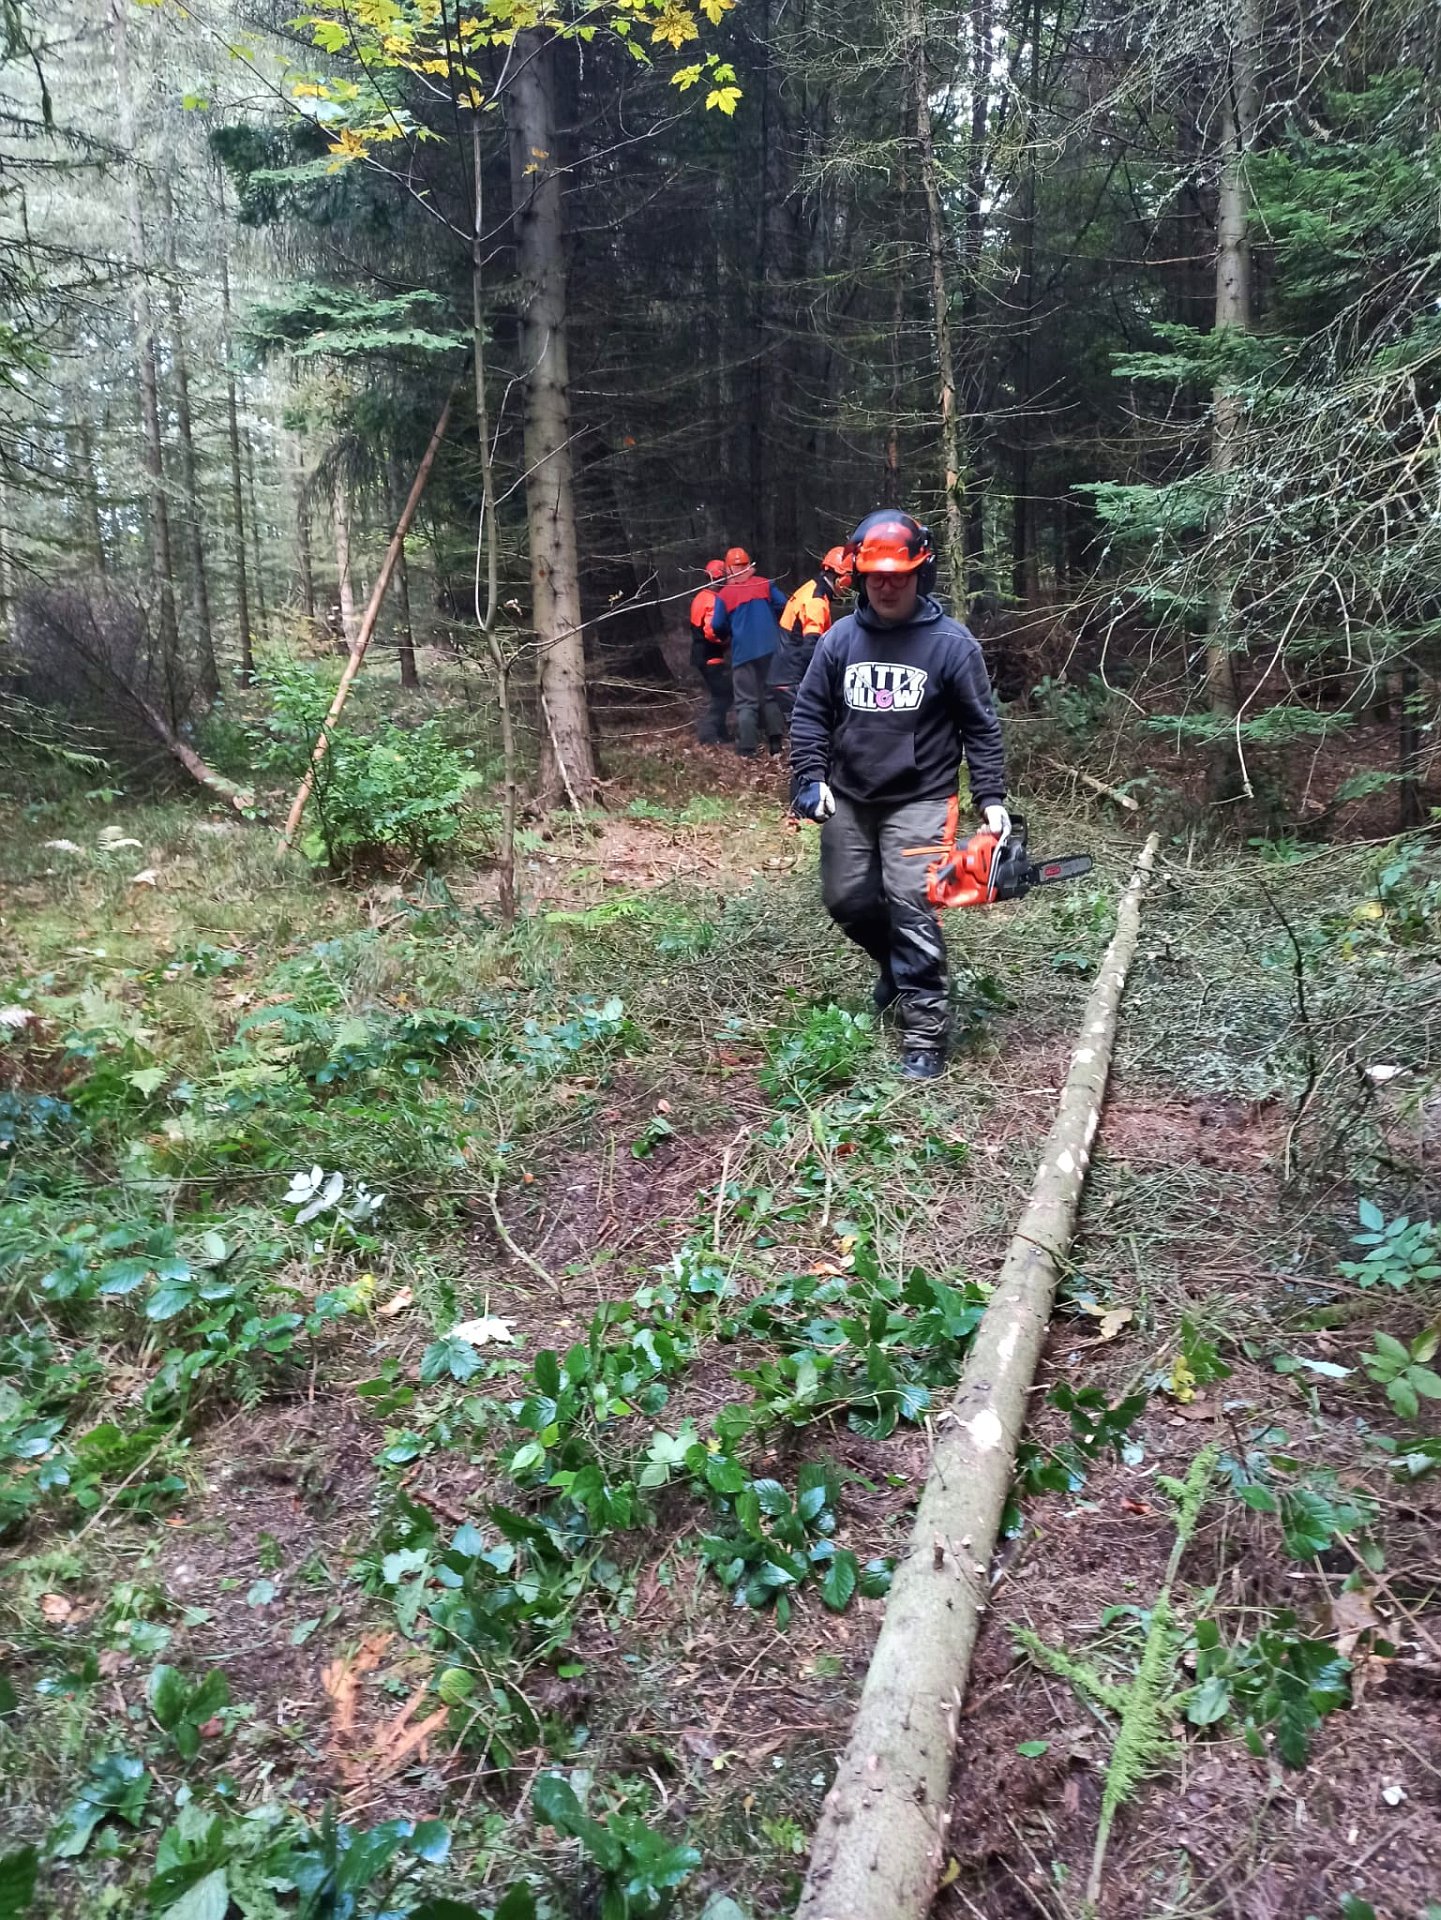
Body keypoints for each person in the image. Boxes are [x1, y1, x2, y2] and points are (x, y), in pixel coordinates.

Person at [787, 509, 1009, 1081]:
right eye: (876, 577)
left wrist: (991, 797)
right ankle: (895, 963)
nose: (887, 588)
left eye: (898, 577)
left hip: (923, 796)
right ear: (860, 577)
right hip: (850, 795)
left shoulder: (951, 644)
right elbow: (810, 713)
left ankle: (925, 1032)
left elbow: (981, 727)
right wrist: (810, 776)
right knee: (847, 900)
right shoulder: (839, 639)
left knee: (912, 903)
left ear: (919, 574)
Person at [708, 546, 786, 757]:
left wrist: (727, 633)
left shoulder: (724, 595)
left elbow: (717, 625)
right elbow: (783, 605)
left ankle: (748, 749)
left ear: (728, 569)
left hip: (743, 653)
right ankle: (776, 742)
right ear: (748, 565)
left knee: (746, 701)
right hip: (770, 649)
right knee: (770, 695)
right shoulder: (765, 584)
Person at [770, 545, 853, 729]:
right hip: (793, 677)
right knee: (808, 727)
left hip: (786, 672)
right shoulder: (816, 600)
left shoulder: (812, 588)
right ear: (841, 578)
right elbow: (811, 646)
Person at [689, 558, 731, 745]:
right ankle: (708, 733)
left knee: (719, 693)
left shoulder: (700, 597)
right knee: (724, 695)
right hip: (710, 655)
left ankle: (721, 733)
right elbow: (711, 631)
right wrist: (727, 640)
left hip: (701, 653)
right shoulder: (712, 600)